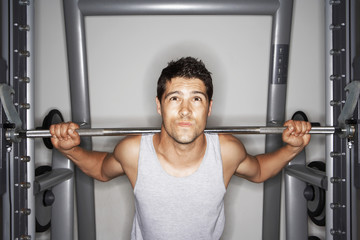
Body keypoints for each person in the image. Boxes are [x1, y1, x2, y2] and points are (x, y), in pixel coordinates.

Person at [50, 57, 311, 240]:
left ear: (209, 108)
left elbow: (259, 170)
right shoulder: (133, 152)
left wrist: (291, 149)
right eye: (174, 98)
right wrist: (71, 150)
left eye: (196, 99)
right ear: (159, 105)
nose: (185, 110)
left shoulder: (227, 151)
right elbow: (101, 169)